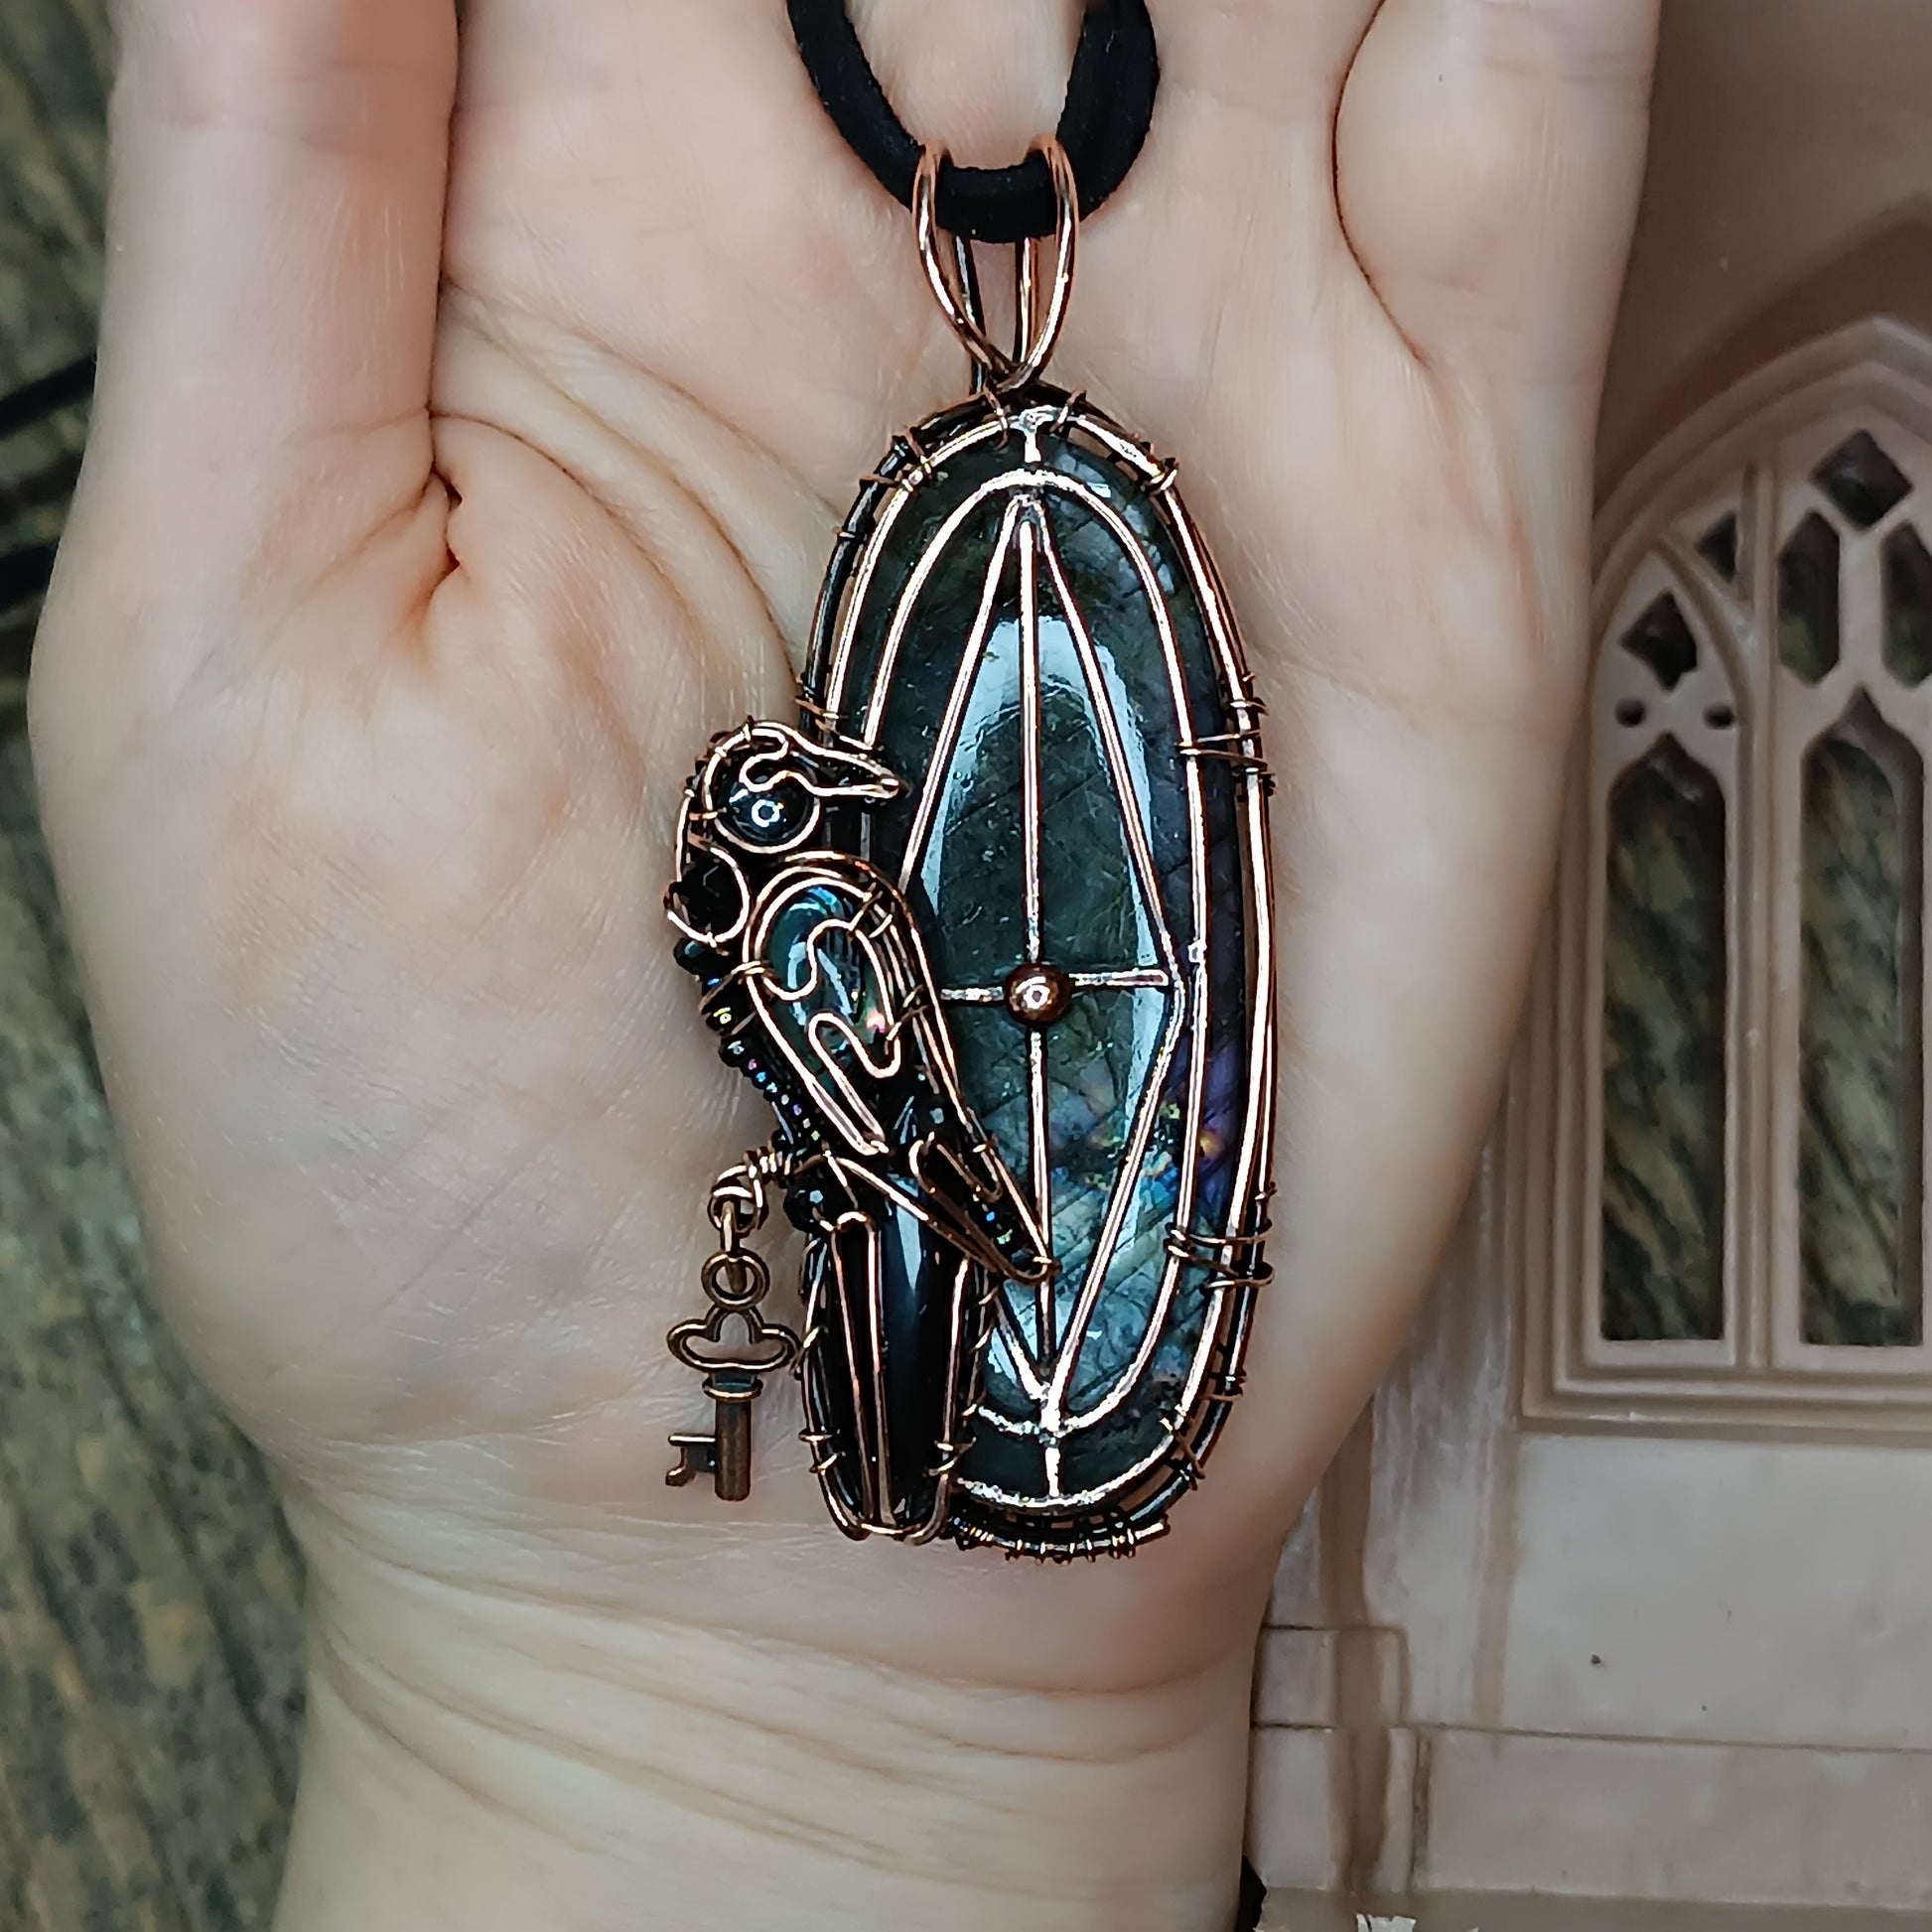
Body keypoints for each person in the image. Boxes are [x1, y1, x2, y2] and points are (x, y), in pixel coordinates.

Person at [28, 2, 1661, 1926]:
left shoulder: (801, 909)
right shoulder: (818, 918)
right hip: (917, 1187)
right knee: (907, 1331)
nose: (823, 796)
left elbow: (882, 1055)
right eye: (798, 793)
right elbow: (884, 1075)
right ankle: (901, 1465)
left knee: (901, 1349)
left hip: (919, 1200)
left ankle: (897, 1466)